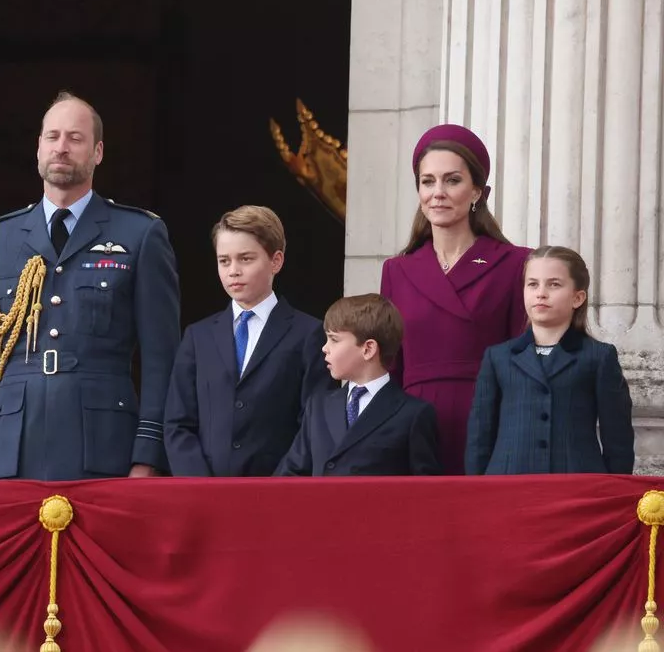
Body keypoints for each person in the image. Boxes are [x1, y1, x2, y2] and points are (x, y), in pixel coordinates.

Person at [0, 91, 181, 480]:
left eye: (75, 138)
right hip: (12, 450)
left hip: (104, 446)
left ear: (97, 152)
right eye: (52, 137)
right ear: (38, 148)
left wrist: (147, 456)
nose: (62, 147)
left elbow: (162, 358)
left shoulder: (140, 233)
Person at [380, 124, 531, 475]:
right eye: (428, 181)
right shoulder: (396, 270)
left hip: (487, 422)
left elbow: (523, 364)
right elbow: (390, 367)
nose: (438, 193)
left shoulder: (515, 263)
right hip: (413, 427)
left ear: (477, 190)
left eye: (452, 180)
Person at [164, 205, 336, 477]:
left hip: (276, 495)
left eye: (245, 259)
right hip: (205, 495)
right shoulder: (198, 337)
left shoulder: (309, 334)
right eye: (224, 261)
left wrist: (276, 486)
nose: (233, 271)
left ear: (276, 261)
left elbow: (313, 425)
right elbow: (178, 423)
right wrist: (200, 486)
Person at [465, 246, 634, 475]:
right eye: (532, 284)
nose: (541, 293)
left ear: (578, 297)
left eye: (554, 284)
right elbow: (479, 436)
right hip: (507, 486)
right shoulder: (498, 358)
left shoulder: (599, 357)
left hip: (577, 485)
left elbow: (618, 439)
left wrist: (613, 493)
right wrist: (477, 491)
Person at [274, 294, 441, 477]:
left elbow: (424, 492)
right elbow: (290, 475)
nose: (324, 348)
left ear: (368, 349)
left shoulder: (413, 414)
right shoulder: (318, 406)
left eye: (334, 340)